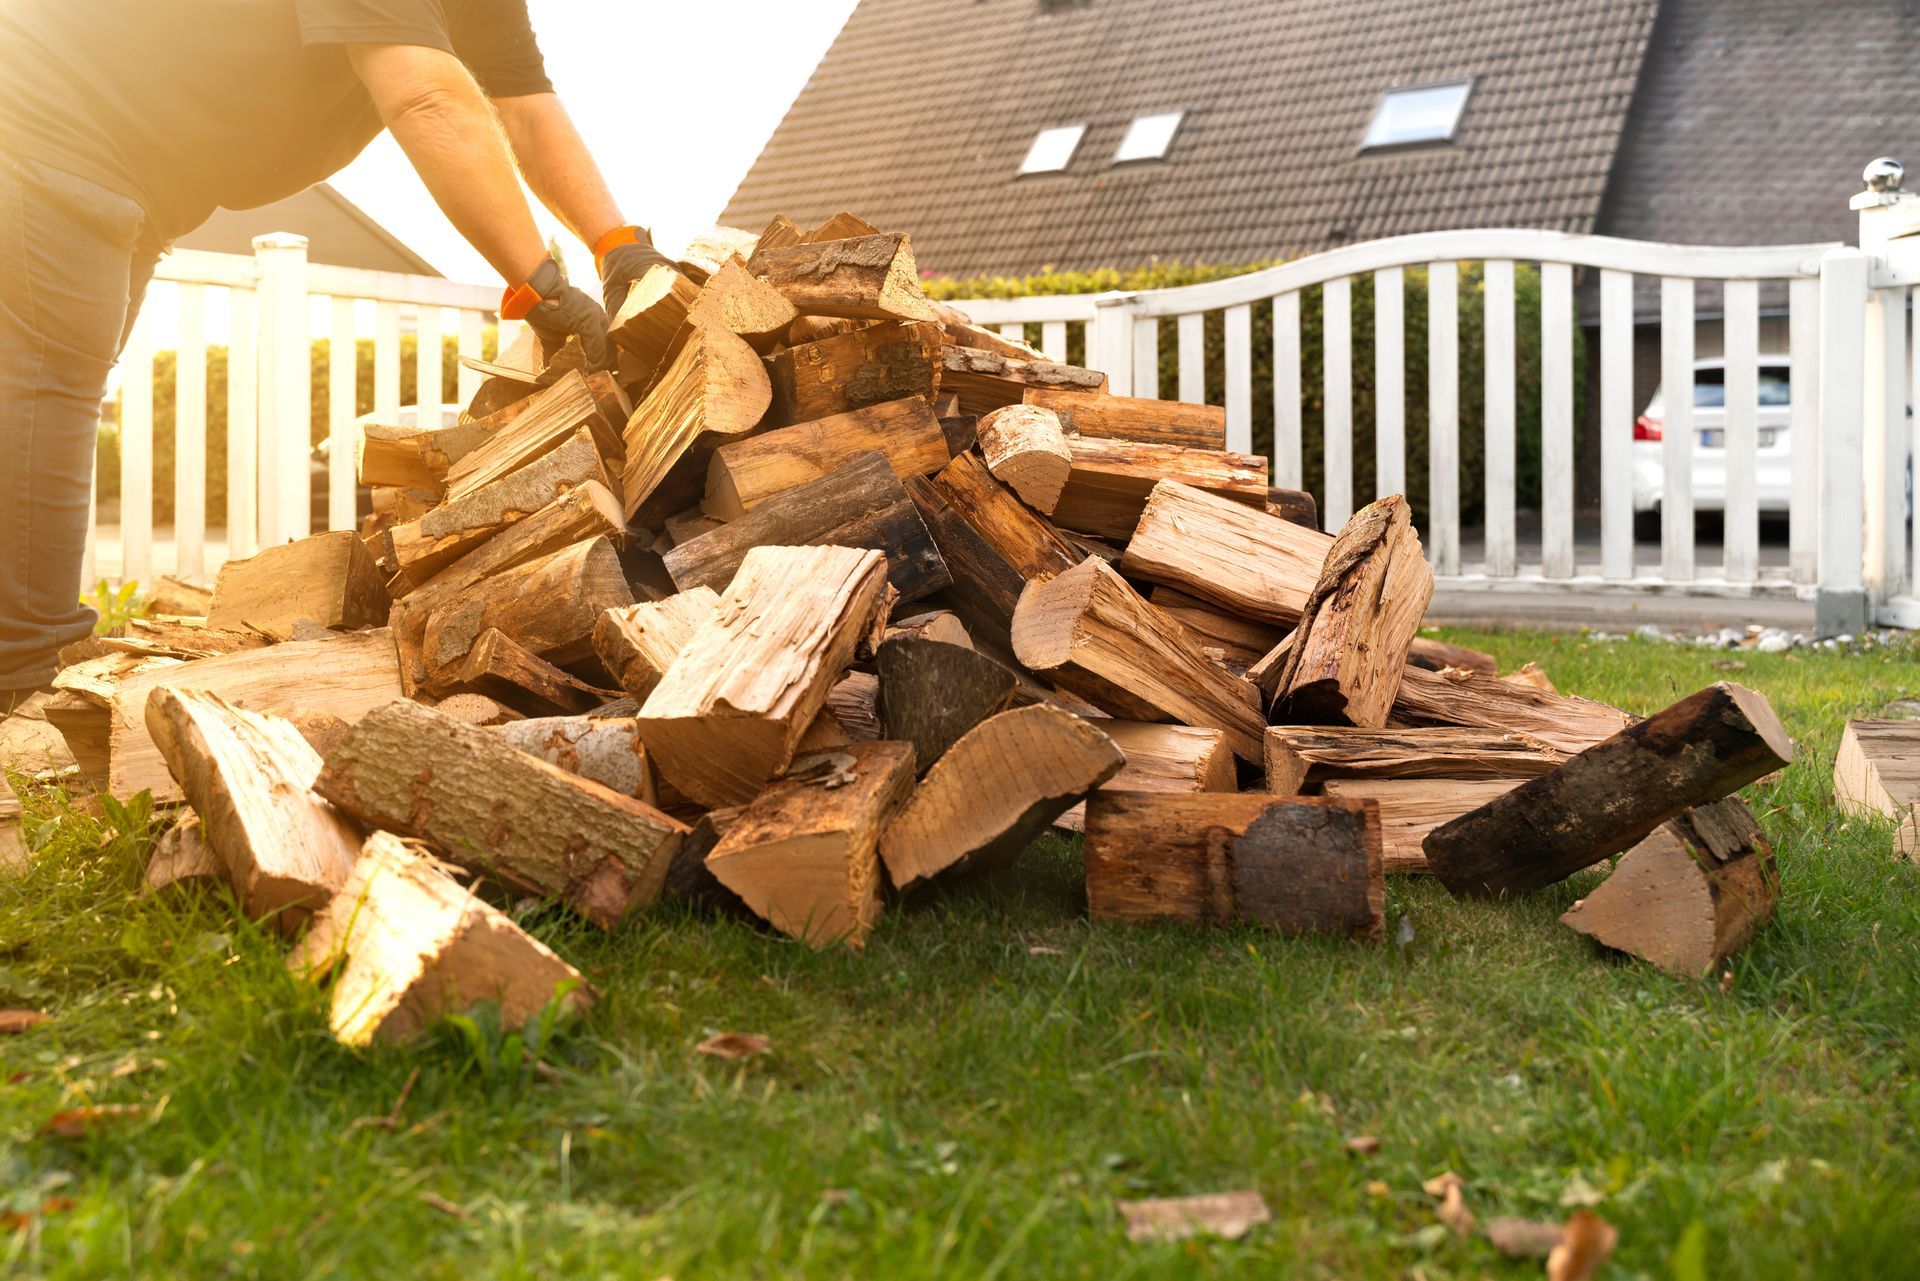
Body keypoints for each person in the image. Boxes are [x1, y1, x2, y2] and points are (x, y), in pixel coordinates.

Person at [0, 0, 670, 713]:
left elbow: (527, 109)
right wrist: (542, 285)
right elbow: (426, 96)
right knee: (49, 384)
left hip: (115, 162)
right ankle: (22, 680)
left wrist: (617, 246)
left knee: (41, 386)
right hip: (49, 120)